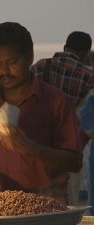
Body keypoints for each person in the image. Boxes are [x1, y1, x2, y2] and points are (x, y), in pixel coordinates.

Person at [0, 22, 82, 203]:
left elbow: (75, 161)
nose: (4, 71)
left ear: (29, 57)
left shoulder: (56, 100)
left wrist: (33, 148)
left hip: (47, 205)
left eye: (12, 62)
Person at [31, 31, 94, 205]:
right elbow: (87, 121)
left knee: (35, 201)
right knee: (69, 203)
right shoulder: (87, 77)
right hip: (68, 149)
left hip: (37, 145)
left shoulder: (40, 66)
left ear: (65, 47)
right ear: (86, 52)